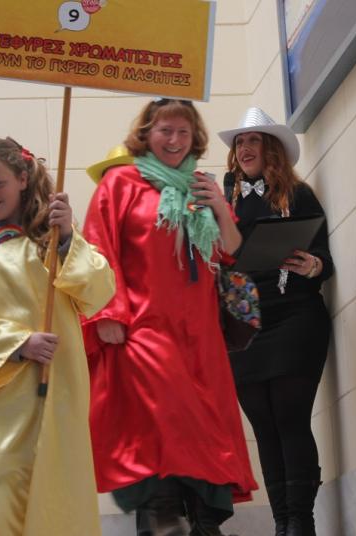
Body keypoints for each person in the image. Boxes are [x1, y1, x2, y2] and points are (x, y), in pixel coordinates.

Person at [82, 99, 258, 536]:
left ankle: (204, 523)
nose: (174, 140)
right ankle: (162, 520)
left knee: (206, 429)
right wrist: (109, 312)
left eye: (183, 131)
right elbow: (98, 249)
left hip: (200, 332)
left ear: (194, 137)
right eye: (165, 130)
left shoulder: (201, 185)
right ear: (146, 134)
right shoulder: (120, 183)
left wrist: (220, 206)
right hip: (145, 326)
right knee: (159, 423)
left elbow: (230, 250)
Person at [0, 137, 116, 536]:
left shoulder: (52, 239)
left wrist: (66, 237)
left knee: (46, 482)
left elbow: (99, 289)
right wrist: (18, 343)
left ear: (21, 178)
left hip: (52, 388)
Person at [217, 108, 334, 536]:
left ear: (272, 150)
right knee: (264, 425)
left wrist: (312, 265)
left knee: (289, 416)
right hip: (245, 327)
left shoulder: (298, 195)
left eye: (254, 140)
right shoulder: (223, 203)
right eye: (240, 143)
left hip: (294, 317)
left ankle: (301, 522)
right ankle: (282, 522)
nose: (245, 148)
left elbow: (325, 260)